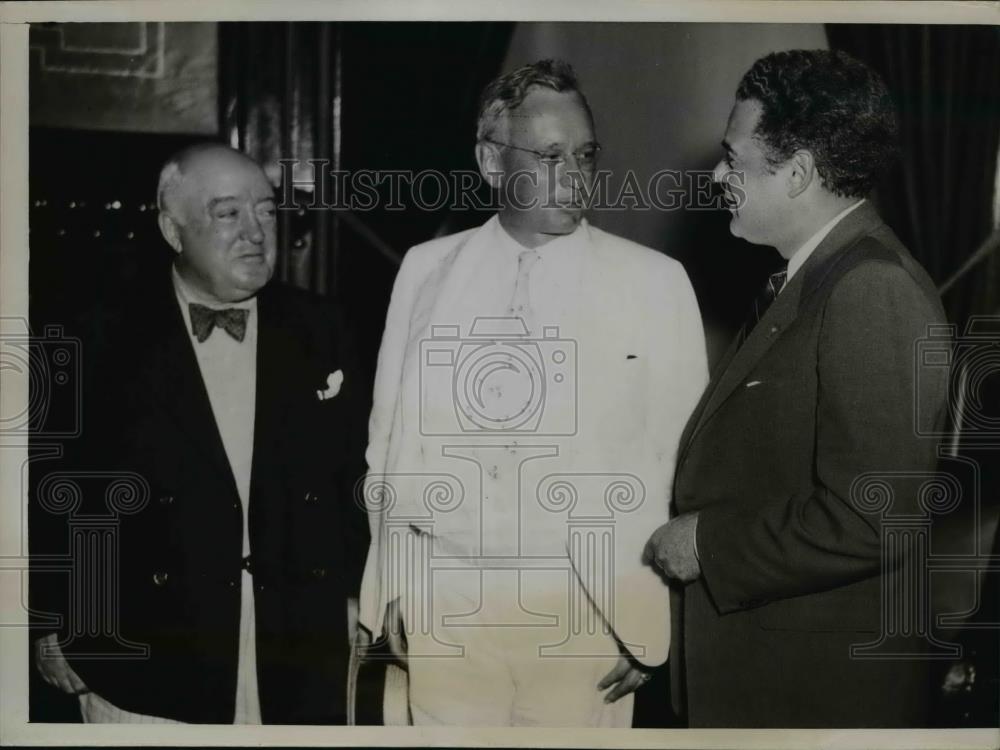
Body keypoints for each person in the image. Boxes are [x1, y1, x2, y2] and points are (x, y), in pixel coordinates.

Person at [356, 59, 707, 727]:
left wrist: (650, 616)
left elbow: (686, 466)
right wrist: (394, 586)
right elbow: (390, 441)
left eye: (585, 154)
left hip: (587, 610)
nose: (575, 175)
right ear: (491, 161)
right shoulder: (427, 270)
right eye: (550, 156)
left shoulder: (654, 283)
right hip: (446, 601)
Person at [645, 49, 951, 727]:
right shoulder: (816, 280)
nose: (719, 175)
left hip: (812, 696)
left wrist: (708, 544)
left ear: (801, 171)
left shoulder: (870, 289)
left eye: (734, 156)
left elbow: (876, 515)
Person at [30, 143, 367, 724]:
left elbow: (355, 478)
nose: (256, 231)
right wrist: (52, 620)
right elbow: (48, 491)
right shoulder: (96, 336)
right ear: (172, 228)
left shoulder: (323, 328)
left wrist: (363, 596)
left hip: (291, 650)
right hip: (146, 655)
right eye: (227, 213)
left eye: (266, 209)